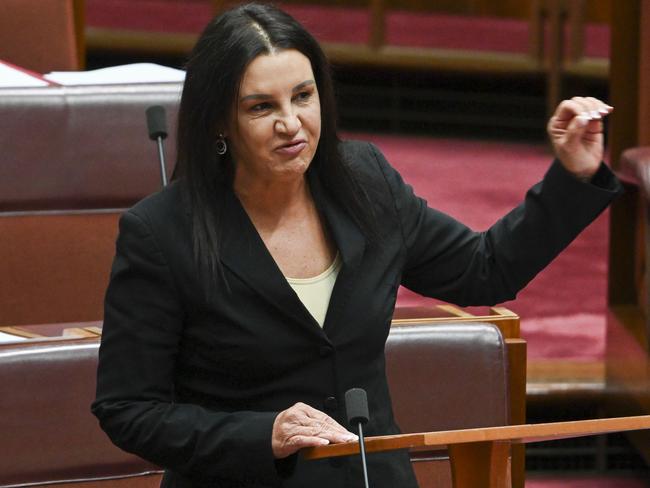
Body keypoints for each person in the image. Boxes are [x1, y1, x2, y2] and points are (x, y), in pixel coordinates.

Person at [91, 3, 623, 487]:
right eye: (260, 107)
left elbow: (484, 270)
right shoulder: (161, 233)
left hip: (371, 476)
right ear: (218, 125)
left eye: (303, 96)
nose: (291, 123)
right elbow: (128, 408)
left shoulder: (365, 181)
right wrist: (262, 434)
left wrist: (573, 178)